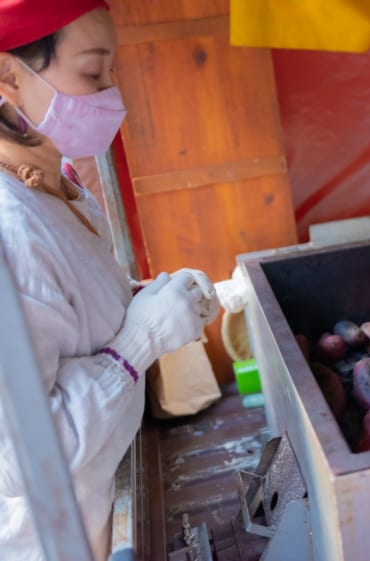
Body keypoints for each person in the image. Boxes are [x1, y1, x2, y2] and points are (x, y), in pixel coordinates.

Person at [0, 1, 220, 560]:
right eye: (92, 72)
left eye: (111, 71)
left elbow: (72, 323)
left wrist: (149, 304)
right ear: (8, 76)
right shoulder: (9, 229)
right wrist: (138, 343)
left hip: (96, 514)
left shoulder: (61, 182)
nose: (109, 93)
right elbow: (22, 457)